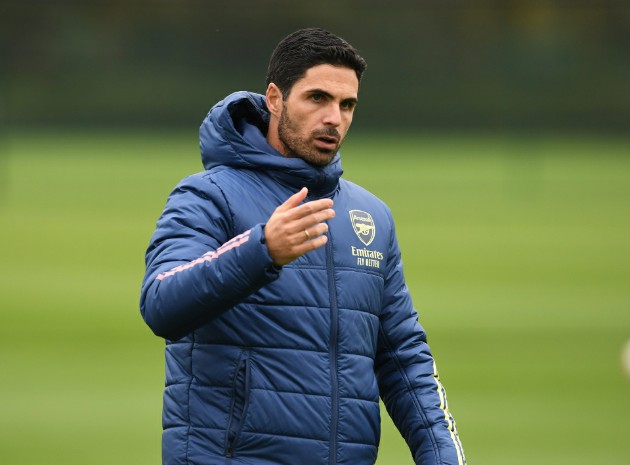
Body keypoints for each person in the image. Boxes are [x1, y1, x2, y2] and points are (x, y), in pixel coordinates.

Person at [140, 27, 466, 465]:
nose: (334, 118)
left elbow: (404, 358)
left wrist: (443, 455)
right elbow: (161, 302)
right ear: (275, 99)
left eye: (347, 105)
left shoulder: (370, 215)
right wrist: (262, 250)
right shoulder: (208, 195)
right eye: (317, 98)